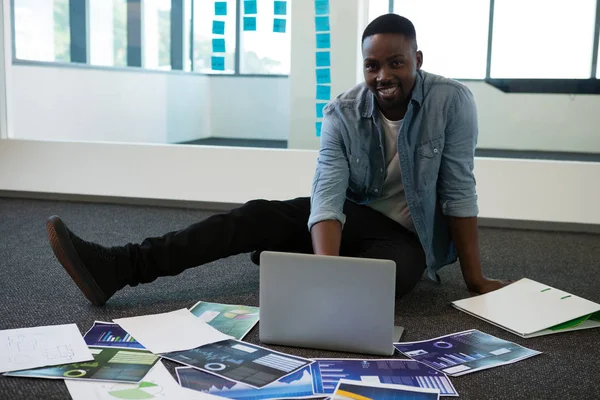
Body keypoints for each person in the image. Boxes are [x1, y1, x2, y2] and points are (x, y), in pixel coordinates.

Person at [46, 14, 508, 307]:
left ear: (417, 59)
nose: (383, 75)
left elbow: (457, 190)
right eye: (372, 65)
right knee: (255, 215)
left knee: (397, 276)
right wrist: (328, 274)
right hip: (351, 220)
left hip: (408, 237)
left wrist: (474, 278)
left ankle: (295, 262)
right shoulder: (342, 113)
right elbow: (327, 196)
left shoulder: (453, 102)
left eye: (396, 63)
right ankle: (120, 266)